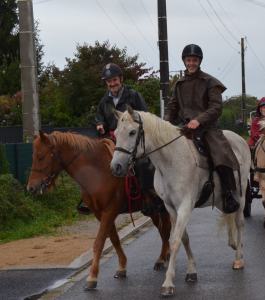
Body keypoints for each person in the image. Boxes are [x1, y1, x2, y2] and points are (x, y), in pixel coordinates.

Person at [165, 44, 240, 214]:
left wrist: (198, 120)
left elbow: (216, 107)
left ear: (199, 61)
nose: (191, 63)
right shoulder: (179, 84)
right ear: (184, 61)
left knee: (220, 153)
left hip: (207, 128)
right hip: (185, 128)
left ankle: (229, 193)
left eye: (194, 60)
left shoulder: (210, 82)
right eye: (189, 60)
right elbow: (172, 107)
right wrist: (166, 123)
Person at [77, 63, 148, 215]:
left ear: (121, 79)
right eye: (108, 81)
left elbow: (145, 116)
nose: (112, 83)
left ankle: (148, 196)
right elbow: (98, 117)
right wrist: (99, 124)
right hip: (111, 139)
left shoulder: (133, 95)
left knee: (142, 162)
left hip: (132, 139)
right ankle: (90, 198)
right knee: (93, 161)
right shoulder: (104, 101)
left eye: (114, 80)